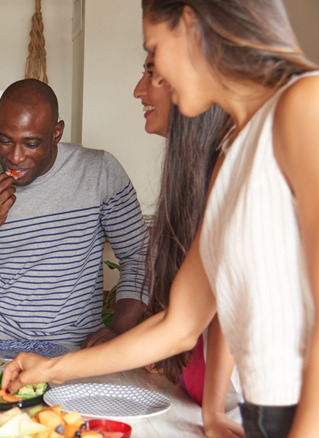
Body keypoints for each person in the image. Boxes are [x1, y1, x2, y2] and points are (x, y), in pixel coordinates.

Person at [2, 1, 319, 436]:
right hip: (264, 417)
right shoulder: (233, 155)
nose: (148, 84)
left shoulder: (309, 102)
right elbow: (179, 324)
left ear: (191, 25)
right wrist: (55, 368)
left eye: (153, 53)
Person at [0, 78, 149, 348]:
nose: (15, 157)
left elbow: (138, 254)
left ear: (56, 133)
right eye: (4, 140)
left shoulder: (99, 171)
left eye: (31, 144)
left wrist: (120, 328)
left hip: (80, 346)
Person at [135, 54, 243, 437]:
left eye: (151, 71)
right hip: (203, 402)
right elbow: (191, 318)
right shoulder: (204, 170)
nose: (138, 90)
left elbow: (226, 301)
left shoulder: (234, 161)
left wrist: (214, 410)